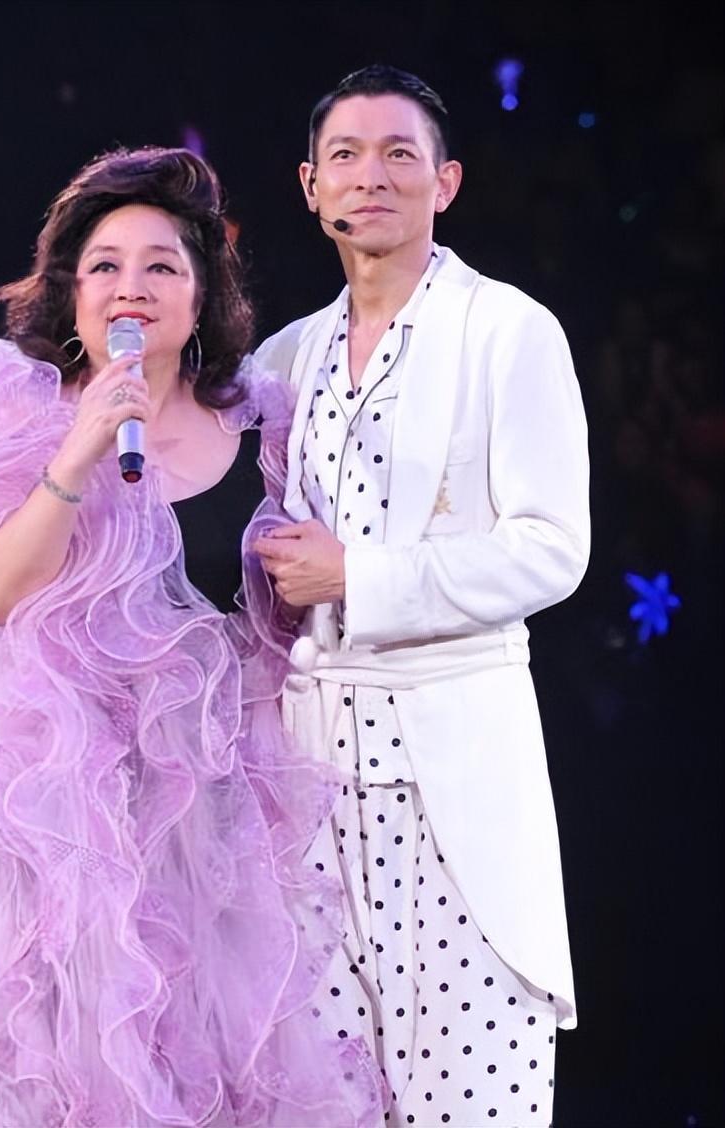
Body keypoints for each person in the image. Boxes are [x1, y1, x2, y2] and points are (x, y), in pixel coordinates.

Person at [0, 148, 385, 1127]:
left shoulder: (265, 430)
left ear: (201, 295)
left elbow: (276, 622)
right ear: (71, 291)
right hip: (46, 819)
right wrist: (80, 447)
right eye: (105, 265)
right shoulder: (13, 413)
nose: (130, 287)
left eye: (160, 266)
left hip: (206, 829)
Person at [252, 65, 590, 1128]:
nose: (373, 176)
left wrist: (361, 577)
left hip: (453, 774)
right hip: (308, 783)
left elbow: (552, 549)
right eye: (346, 156)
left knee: (472, 1097)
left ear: (445, 182)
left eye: (400, 154)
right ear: (310, 186)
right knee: (318, 1099)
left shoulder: (507, 330)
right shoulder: (284, 359)